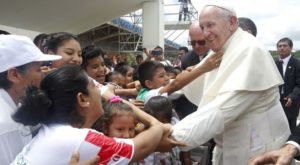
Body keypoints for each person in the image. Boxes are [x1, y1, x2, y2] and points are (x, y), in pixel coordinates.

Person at [169, 3, 290, 164]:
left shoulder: (250, 50)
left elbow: (220, 110)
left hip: (259, 149)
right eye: (202, 27)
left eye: (210, 25)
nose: (205, 33)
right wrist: (158, 92)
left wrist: (168, 136)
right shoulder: (221, 49)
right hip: (231, 145)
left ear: (232, 22)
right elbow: (191, 82)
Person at [11, 65, 169, 165]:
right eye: (95, 87)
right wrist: (159, 126)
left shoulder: (51, 130)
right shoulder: (80, 139)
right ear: (82, 99)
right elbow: (141, 146)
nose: (100, 93)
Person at [0, 35, 61, 164]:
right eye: (39, 70)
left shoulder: (14, 106)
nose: (43, 75)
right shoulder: (7, 126)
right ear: (14, 75)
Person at [275, 37, 300, 133]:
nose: (281, 48)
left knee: (290, 129)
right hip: (276, 102)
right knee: (276, 128)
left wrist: (292, 97)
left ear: (290, 48)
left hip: (290, 102)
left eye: (284, 46)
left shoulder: (297, 64)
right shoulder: (274, 63)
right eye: (279, 46)